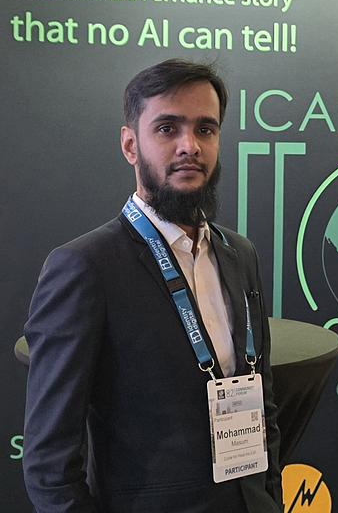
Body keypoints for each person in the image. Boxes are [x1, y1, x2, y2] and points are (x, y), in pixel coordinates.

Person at [23, 59, 283, 513]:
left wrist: (270, 497)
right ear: (130, 145)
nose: (190, 146)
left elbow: (263, 400)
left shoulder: (240, 254)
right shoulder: (85, 267)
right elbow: (49, 463)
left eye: (205, 129)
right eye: (167, 128)